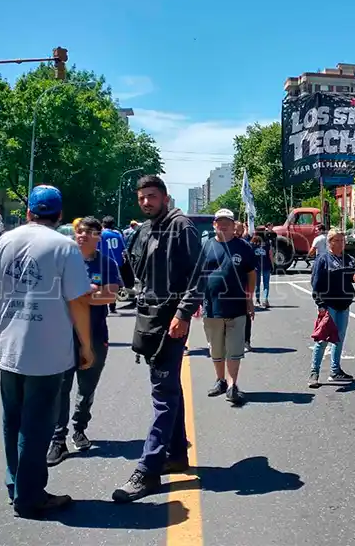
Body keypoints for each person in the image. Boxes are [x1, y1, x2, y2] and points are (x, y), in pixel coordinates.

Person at [0, 185, 95, 518]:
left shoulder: (4, 241)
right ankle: (29, 497)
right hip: (47, 354)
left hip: (9, 350)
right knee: (37, 425)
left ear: (28, 212)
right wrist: (86, 345)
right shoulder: (64, 246)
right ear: (59, 215)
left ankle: (16, 484)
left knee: (12, 421)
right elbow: (79, 301)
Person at [113, 175, 203, 503]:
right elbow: (132, 270)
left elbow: (198, 275)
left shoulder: (181, 226)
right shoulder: (144, 230)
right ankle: (176, 454)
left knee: (163, 394)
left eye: (152, 196)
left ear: (165, 197)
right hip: (148, 319)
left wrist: (183, 314)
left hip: (170, 321)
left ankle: (147, 470)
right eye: (142, 198)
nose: (146, 202)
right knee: (168, 388)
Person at [47, 217, 120, 466]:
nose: (82, 235)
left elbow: (110, 295)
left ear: (98, 236)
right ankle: (58, 439)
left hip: (96, 334)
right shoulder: (63, 261)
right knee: (61, 388)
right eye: (79, 231)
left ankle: (79, 428)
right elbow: (54, 294)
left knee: (86, 388)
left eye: (89, 232)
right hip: (64, 335)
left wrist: (80, 296)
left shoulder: (107, 263)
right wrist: (87, 292)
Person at [199, 209, 256, 403]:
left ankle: (232, 385)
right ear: (214, 225)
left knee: (234, 348)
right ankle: (221, 381)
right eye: (219, 222)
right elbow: (199, 275)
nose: (223, 226)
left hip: (237, 306)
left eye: (227, 223)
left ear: (233, 226)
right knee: (216, 348)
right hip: (211, 306)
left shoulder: (244, 247)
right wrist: (196, 300)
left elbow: (251, 274)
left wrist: (249, 299)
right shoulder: (206, 246)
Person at [309, 228, 355, 388]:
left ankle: (335, 370)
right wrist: (320, 305)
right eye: (337, 240)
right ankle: (314, 372)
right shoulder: (323, 260)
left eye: (342, 240)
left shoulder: (348, 259)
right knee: (323, 339)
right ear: (329, 242)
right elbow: (316, 283)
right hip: (328, 304)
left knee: (339, 338)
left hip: (344, 304)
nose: (340, 243)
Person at [99, 215, 126, 314]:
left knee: (102, 283)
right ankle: (112, 305)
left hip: (103, 262)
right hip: (116, 262)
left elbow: (97, 248)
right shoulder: (118, 235)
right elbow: (123, 249)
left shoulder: (101, 234)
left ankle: (102, 303)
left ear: (103, 224)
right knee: (113, 284)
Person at [252, 232, 273, 308]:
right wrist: (272, 264)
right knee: (266, 284)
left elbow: (250, 255)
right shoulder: (267, 243)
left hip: (256, 266)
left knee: (257, 284)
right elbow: (270, 254)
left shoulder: (253, 243)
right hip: (266, 265)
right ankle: (265, 300)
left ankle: (257, 300)